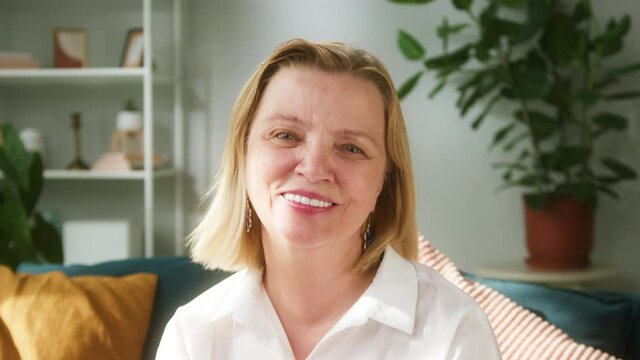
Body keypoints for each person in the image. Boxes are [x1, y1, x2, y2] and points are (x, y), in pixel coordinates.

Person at [156, 39, 502, 360]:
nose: (314, 168)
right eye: (286, 135)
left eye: (351, 148)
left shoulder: (454, 330)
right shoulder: (194, 335)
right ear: (243, 154)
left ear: (384, 180)